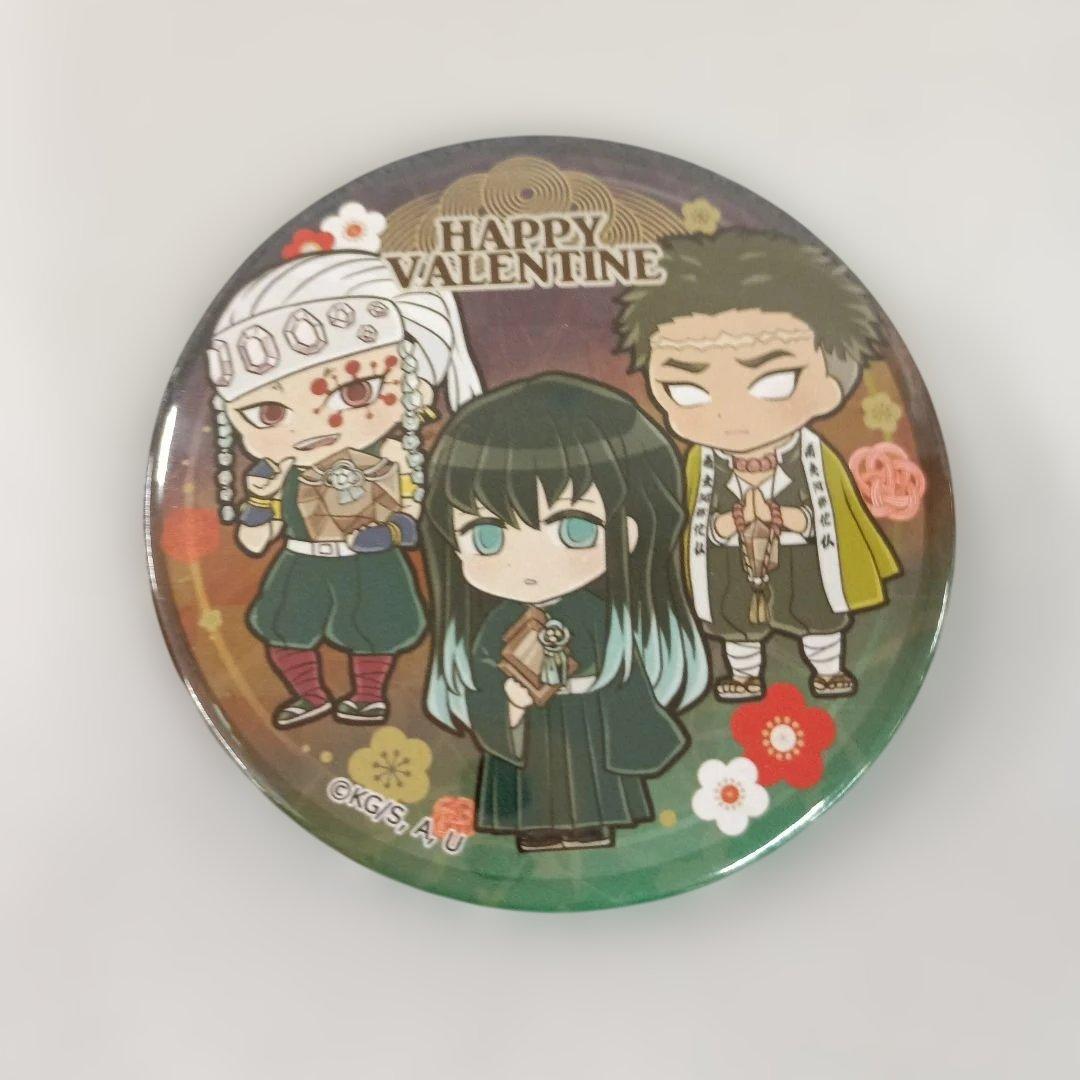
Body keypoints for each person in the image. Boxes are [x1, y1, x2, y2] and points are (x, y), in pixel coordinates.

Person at [422, 374, 707, 852]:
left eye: (575, 529)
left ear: (629, 532)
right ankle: (535, 828)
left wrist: (586, 686)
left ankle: (591, 825)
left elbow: (626, 680)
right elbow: (483, 680)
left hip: (586, 720)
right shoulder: (495, 624)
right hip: (529, 729)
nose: (531, 565)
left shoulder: (601, 616)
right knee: (532, 789)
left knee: (587, 787)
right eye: (487, 537)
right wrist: (510, 701)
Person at [615, 229, 900, 700]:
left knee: (816, 612)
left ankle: (828, 669)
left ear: (833, 382)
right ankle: (744, 675)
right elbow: (691, 521)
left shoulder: (816, 458)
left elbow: (834, 516)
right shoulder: (698, 464)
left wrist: (790, 518)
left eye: (774, 382)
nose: (731, 415)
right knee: (734, 620)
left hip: (802, 558)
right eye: (687, 391)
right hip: (730, 562)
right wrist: (726, 525)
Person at [207, 250, 482, 727]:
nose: (313, 428)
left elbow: (415, 506)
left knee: (377, 627)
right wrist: (261, 501)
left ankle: (368, 695)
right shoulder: (280, 471)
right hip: (302, 562)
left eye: (355, 393)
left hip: (370, 559)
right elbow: (253, 541)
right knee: (284, 627)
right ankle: (309, 695)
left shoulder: (392, 455)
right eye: (270, 413)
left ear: (413, 383)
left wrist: (393, 531)